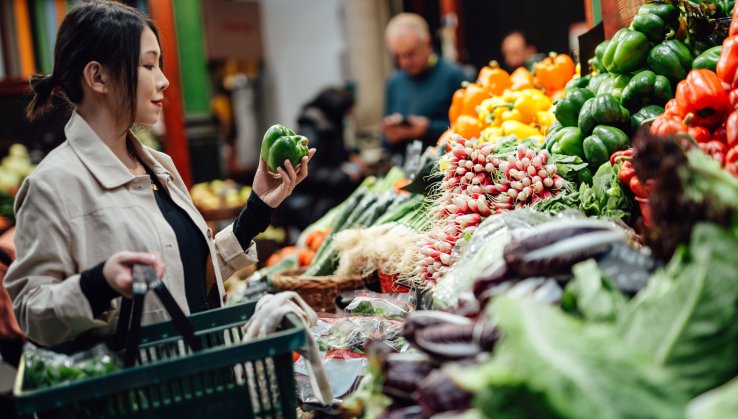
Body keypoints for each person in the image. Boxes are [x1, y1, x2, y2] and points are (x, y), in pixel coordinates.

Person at [4, 1, 314, 347]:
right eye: (149, 65)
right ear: (97, 76)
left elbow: (188, 278)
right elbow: (31, 313)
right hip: (141, 380)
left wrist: (256, 210)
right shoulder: (51, 186)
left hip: (205, 366)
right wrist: (98, 284)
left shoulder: (158, 165)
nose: (164, 81)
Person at [276, 86, 367, 229]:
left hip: (326, 197)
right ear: (337, 110)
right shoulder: (313, 131)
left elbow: (333, 153)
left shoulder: (329, 125)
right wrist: (345, 175)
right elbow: (309, 172)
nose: (350, 117)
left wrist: (350, 156)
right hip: (314, 205)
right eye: (348, 112)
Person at [382, 13, 468, 159]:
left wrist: (428, 129)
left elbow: (470, 129)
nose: (404, 62)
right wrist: (390, 134)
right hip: (405, 166)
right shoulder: (394, 82)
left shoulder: (454, 75)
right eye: (398, 56)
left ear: (427, 43)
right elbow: (385, 141)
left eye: (410, 54)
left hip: (447, 165)